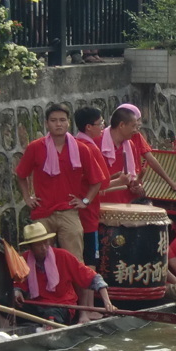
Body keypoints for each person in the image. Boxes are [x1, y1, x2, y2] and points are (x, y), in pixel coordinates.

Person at [16, 102, 107, 261]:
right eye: (53, 120)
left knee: (74, 260)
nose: (58, 124)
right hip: (42, 211)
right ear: (46, 123)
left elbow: (97, 180)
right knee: (42, 260)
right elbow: (21, 174)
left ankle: (72, 286)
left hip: (69, 211)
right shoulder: (36, 147)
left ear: (68, 123)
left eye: (62, 120)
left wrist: (85, 200)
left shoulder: (80, 148)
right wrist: (27, 197)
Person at [14, 222, 114, 325]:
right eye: (39, 245)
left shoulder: (62, 256)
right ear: (30, 247)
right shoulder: (25, 259)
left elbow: (93, 278)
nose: (44, 247)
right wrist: (17, 292)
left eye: (45, 242)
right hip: (37, 305)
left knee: (51, 314)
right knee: (7, 304)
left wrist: (107, 302)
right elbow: (18, 284)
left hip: (62, 305)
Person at [71, 106, 113, 265]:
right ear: (88, 127)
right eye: (100, 123)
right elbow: (103, 182)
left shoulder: (72, 144)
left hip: (70, 210)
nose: (103, 126)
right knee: (90, 259)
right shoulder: (89, 148)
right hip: (86, 211)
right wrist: (87, 201)